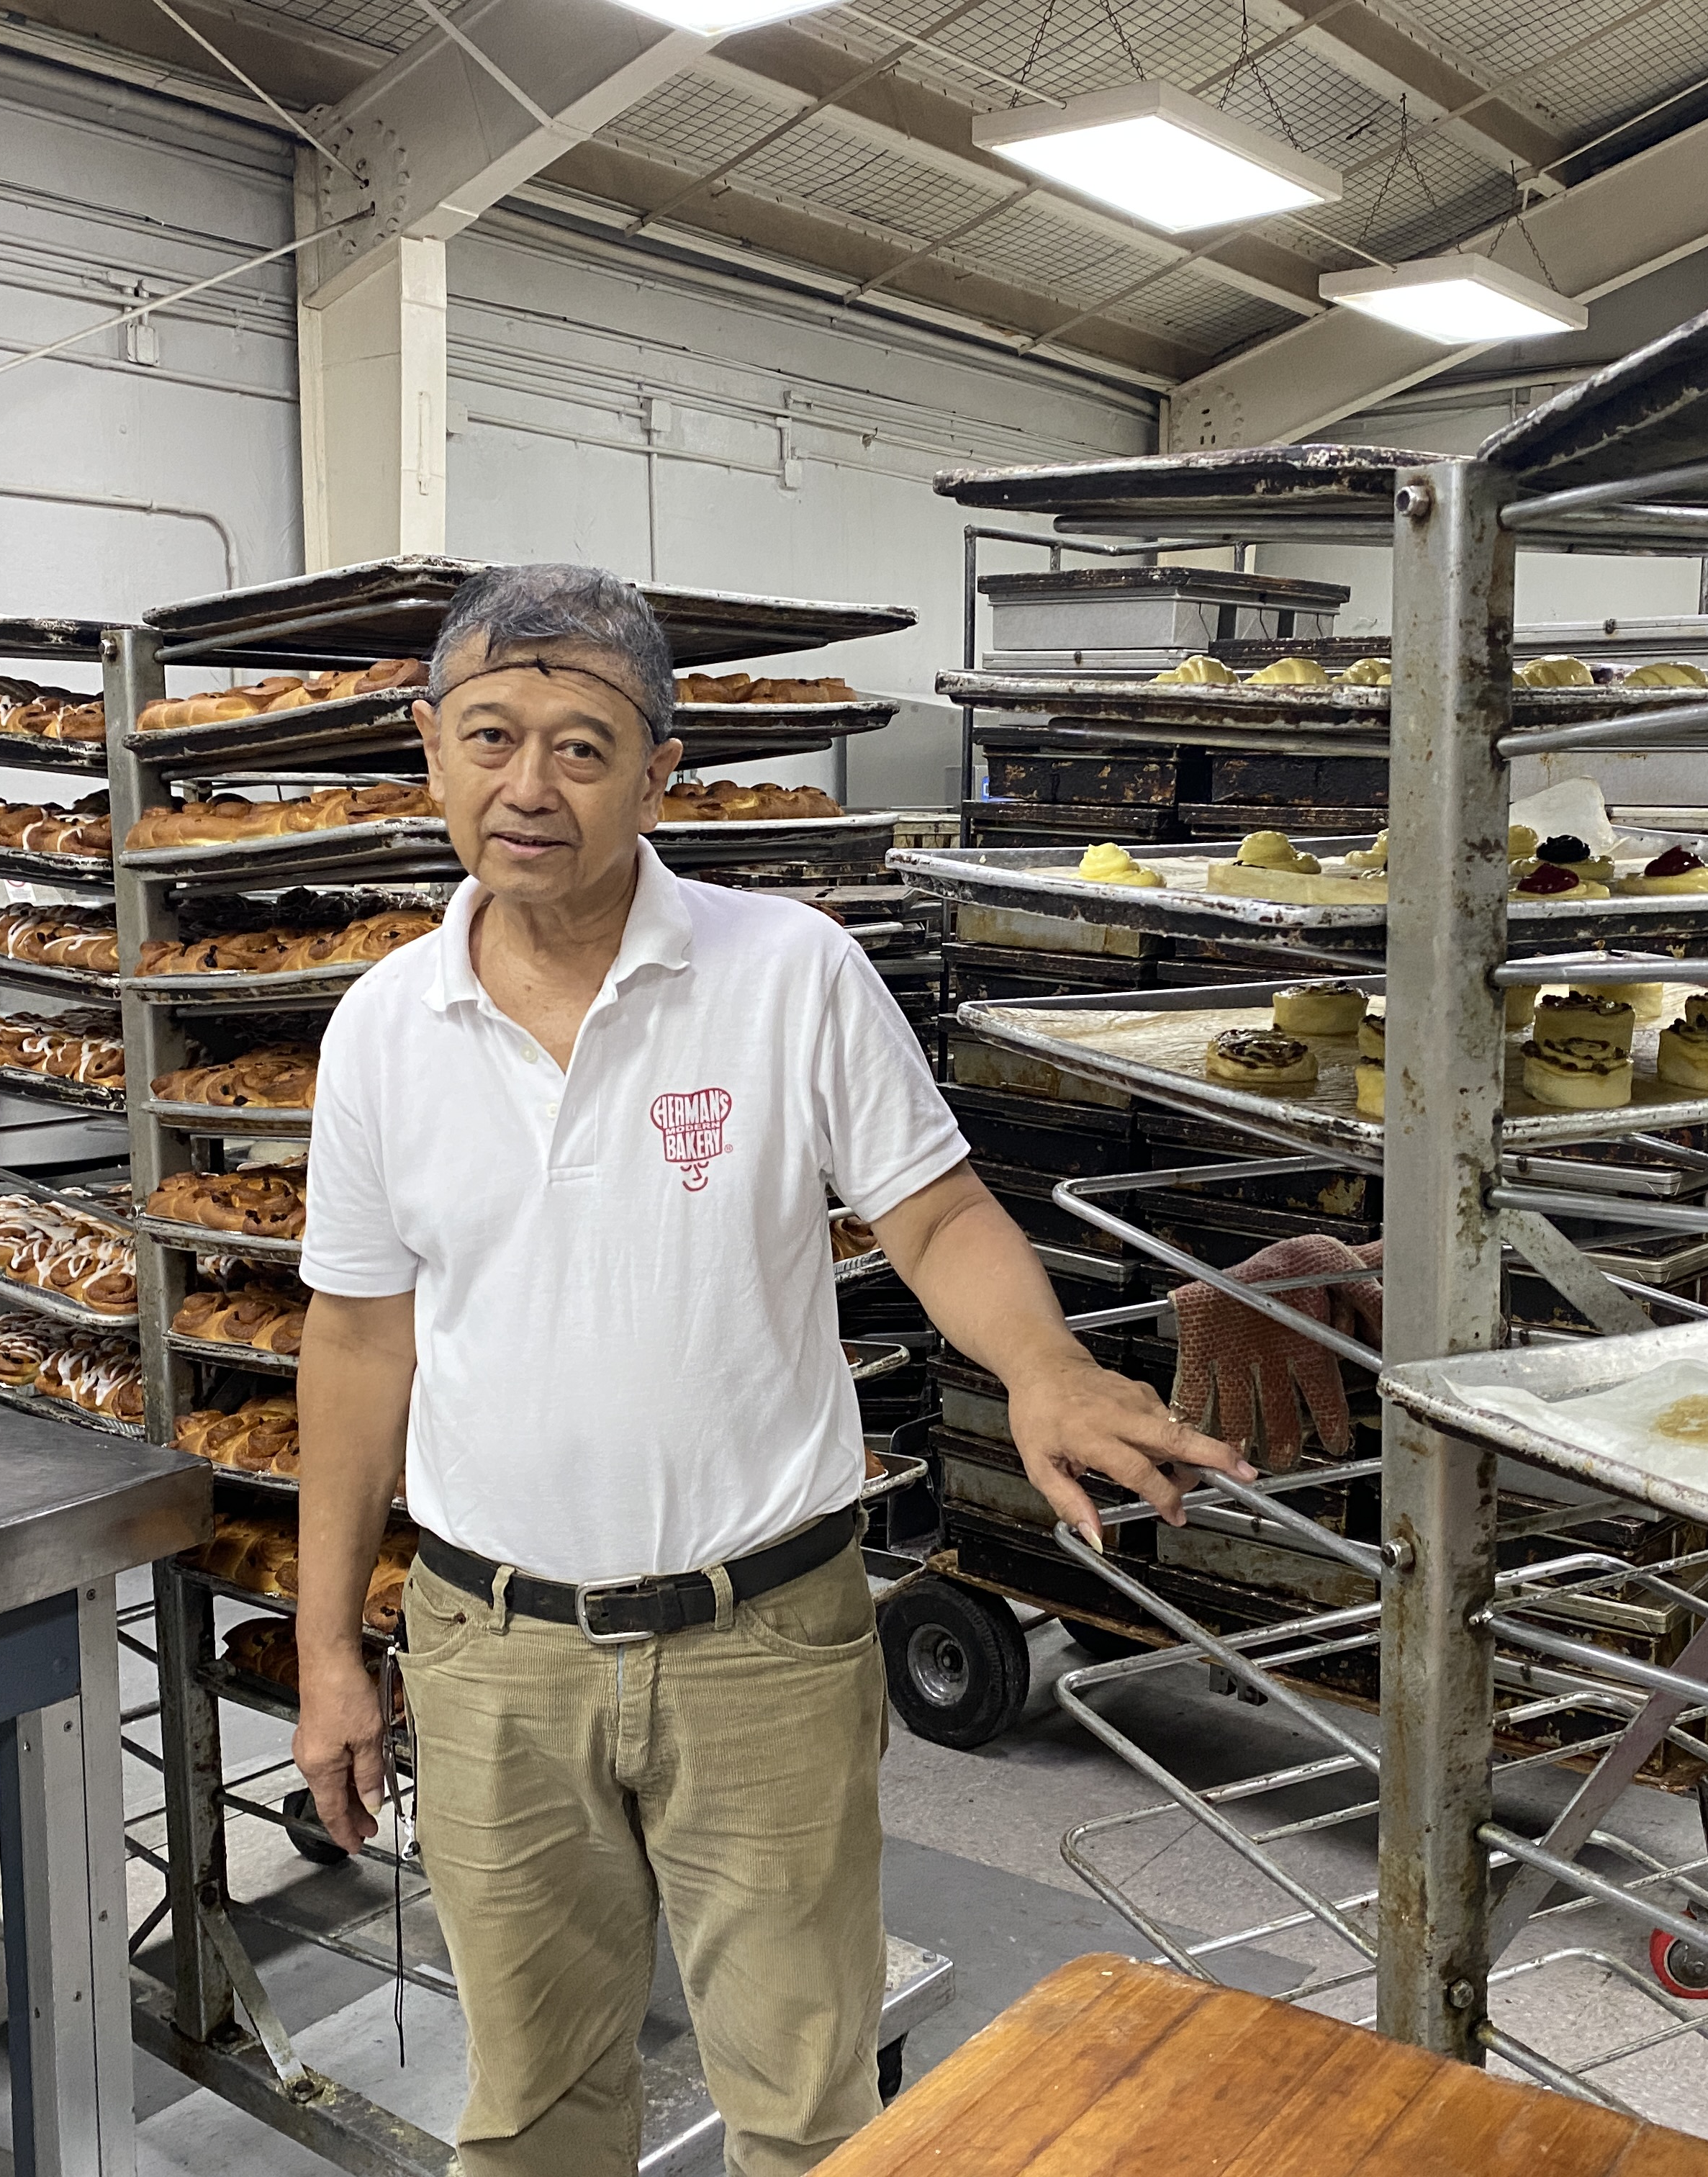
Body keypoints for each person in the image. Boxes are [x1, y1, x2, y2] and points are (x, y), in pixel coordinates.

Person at [289, 562, 1250, 2177]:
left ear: (658, 775)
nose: (530, 786)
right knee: (528, 2113)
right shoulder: (383, 1027)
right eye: (492, 736)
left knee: (810, 2114)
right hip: (493, 1653)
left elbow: (935, 1215)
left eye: (583, 747)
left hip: (763, 1642)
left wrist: (1042, 1366)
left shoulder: (788, 970)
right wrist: (328, 1648)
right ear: (430, 749)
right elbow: (357, 1339)